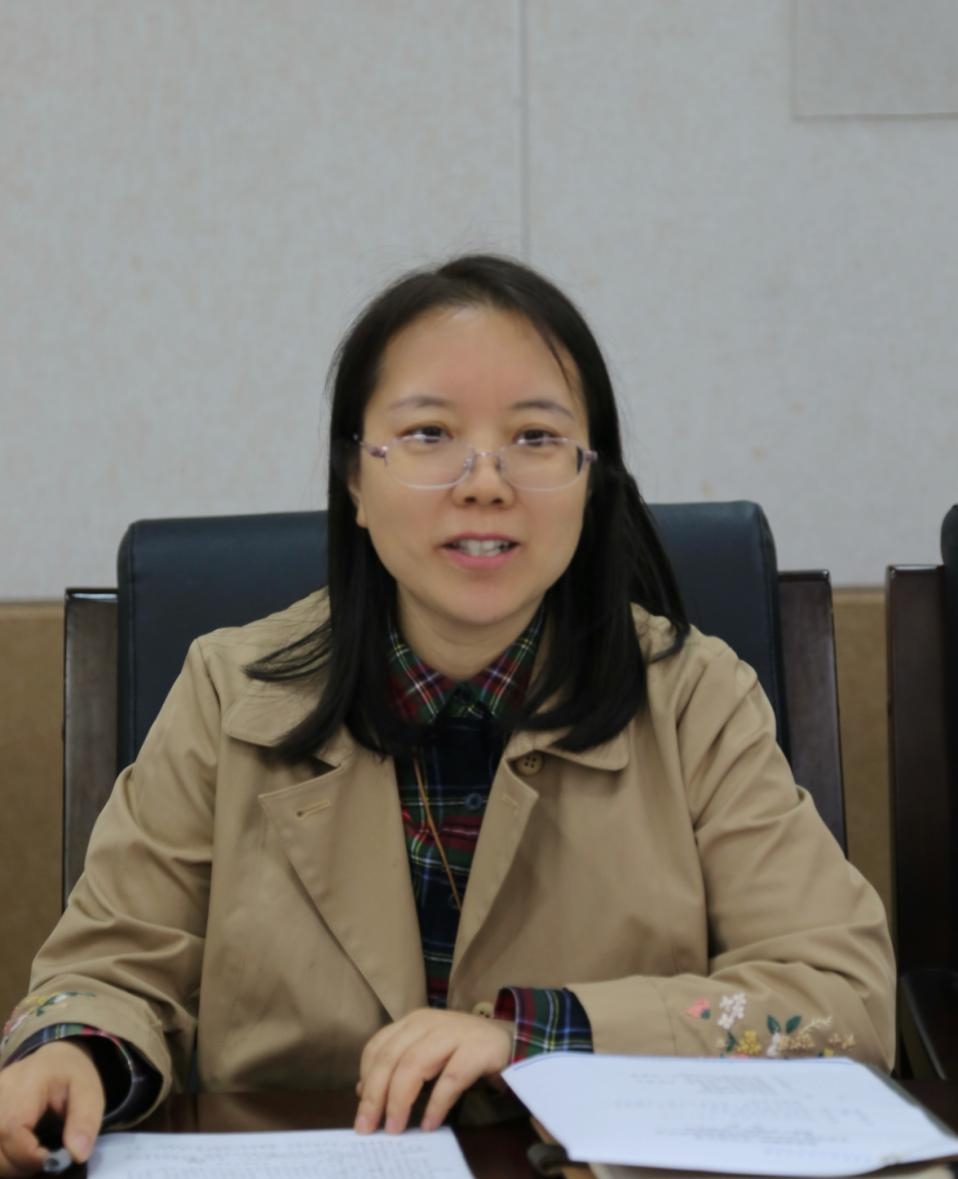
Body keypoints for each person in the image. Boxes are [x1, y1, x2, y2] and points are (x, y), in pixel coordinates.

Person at [0, 255, 895, 1176]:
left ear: (591, 479)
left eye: (536, 437)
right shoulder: (231, 691)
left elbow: (840, 1001)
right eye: (429, 433)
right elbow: (107, 971)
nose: (485, 482)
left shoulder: (695, 698)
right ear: (355, 477)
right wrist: (72, 1052)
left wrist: (535, 1034)